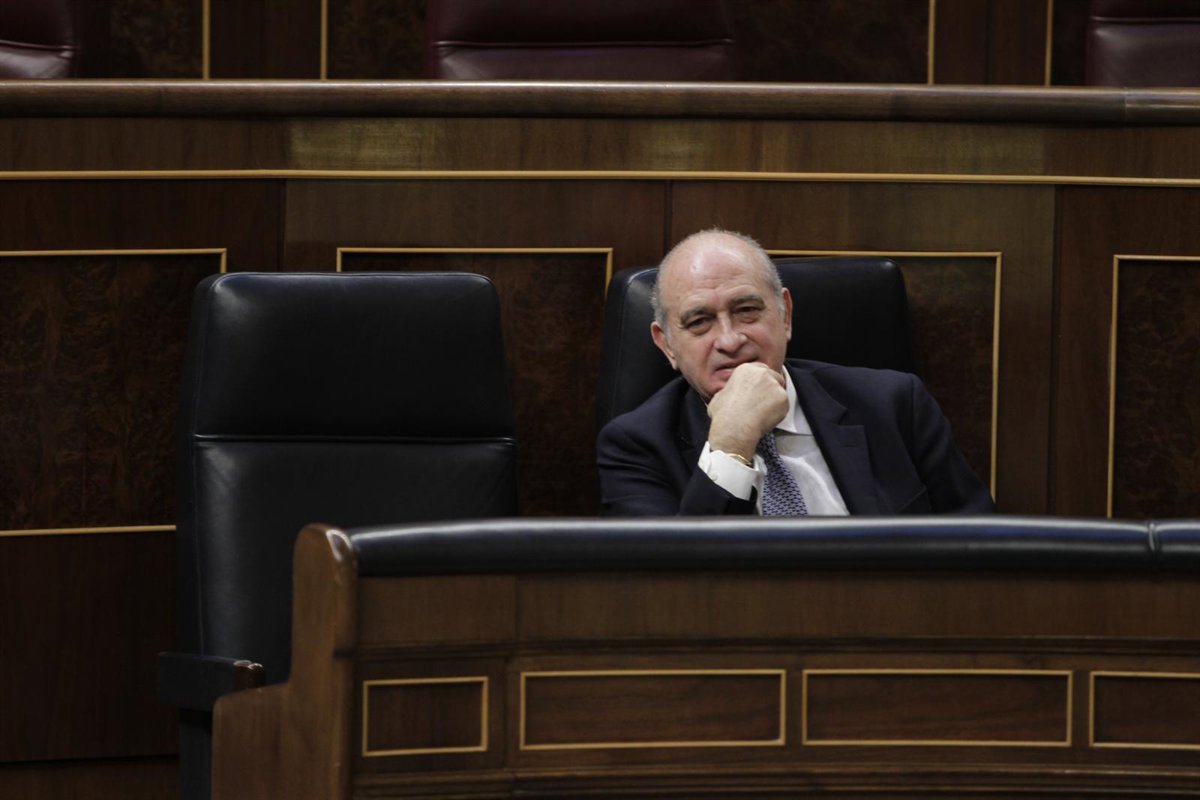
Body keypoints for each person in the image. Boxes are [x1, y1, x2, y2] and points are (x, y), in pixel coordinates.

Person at [597, 229, 995, 516]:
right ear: (666, 344)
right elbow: (670, 586)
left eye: (747, 310)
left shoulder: (895, 404)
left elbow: (978, 548)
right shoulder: (636, 447)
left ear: (785, 315)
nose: (730, 340)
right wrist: (731, 444)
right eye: (699, 322)